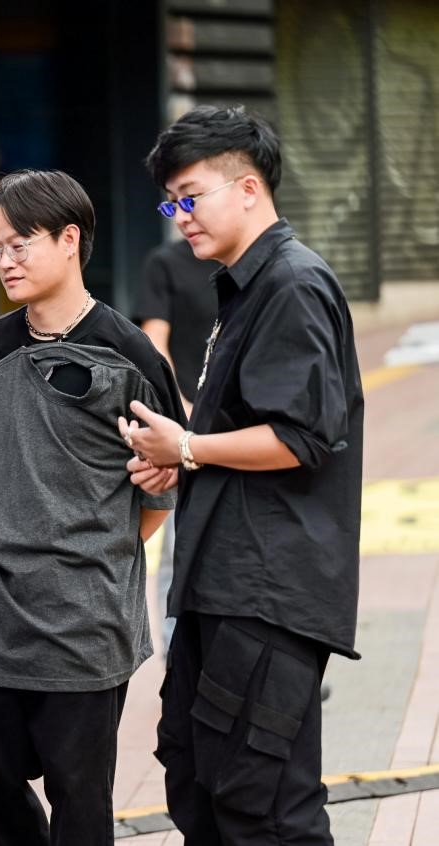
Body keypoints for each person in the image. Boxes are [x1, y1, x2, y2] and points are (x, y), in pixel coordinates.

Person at [125, 104, 363, 845]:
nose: (180, 217)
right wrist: (181, 459)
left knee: (263, 808)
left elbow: (301, 435)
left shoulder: (291, 283)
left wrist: (189, 448)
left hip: (266, 591)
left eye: (190, 196)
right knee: (199, 782)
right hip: (224, 581)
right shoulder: (243, 285)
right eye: (171, 203)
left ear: (250, 188)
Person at [0, 169, 184, 846]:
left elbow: (160, 490)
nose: (5, 261)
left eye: (19, 244)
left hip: (84, 624)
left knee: (78, 797)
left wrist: (97, 556)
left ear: (68, 239)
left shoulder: (129, 353)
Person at [135, 237, 219, 656]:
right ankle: (177, 656)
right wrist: (182, 412)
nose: (185, 214)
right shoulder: (165, 263)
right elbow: (154, 340)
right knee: (179, 547)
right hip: (185, 429)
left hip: (238, 433)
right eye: (178, 205)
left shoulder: (251, 268)